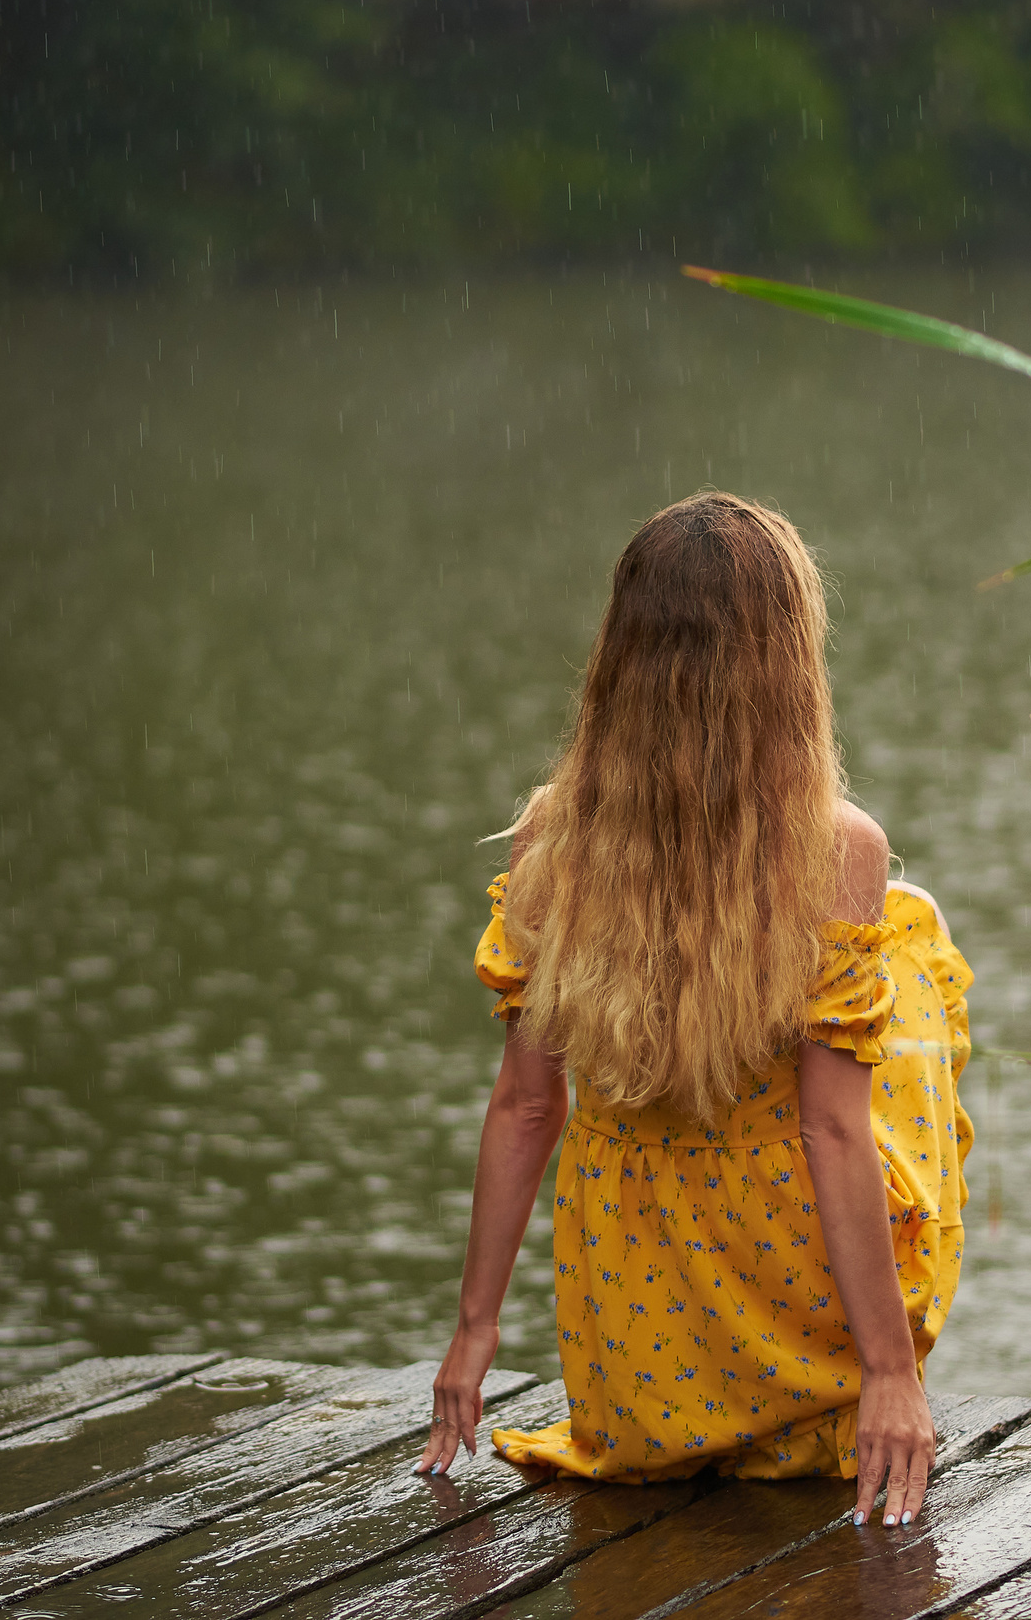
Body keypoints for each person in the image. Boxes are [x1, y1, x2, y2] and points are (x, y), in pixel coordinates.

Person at [411, 491, 975, 1530]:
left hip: (633, 1346)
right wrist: (890, 1375)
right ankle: (819, 1394)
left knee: (887, 928)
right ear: (784, 660)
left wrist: (471, 1335)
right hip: (797, 1314)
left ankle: (696, 1408)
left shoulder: (550, 835)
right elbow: (832, 1122)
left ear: (619, 656)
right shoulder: (834, 844)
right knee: (913, 932)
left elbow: (526, 1107)